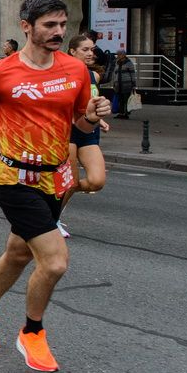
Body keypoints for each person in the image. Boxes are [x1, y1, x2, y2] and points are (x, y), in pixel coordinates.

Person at [0, 0, 111, 373]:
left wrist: (92, 114)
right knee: (54, 263)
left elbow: (81, 124)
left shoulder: (75, 70)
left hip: (58, 178)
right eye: (49, 25)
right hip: (15, 178)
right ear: (27, 27)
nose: (58, 32)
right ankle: (32, 332)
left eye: (62, 25)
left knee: (20, 253)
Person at [57, 33, 111, 237]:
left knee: (97, 181)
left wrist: (99, 118)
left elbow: (90, 103)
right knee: (70, 181)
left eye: (92, 49)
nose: (91, 53)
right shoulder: (62, 74)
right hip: (68, 131)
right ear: (72, 51)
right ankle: (54, 218)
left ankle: (52, 194)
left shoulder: (94, 76)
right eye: (85, 50)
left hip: (89, 131)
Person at [113, 50, 137, 119]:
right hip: (118, 85)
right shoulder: (117, 63)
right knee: (120, 99)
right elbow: (115, 74)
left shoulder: (128, 63)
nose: (118, 56)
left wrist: (134, 85)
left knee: (126, 99)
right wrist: (114, 83)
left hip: (127, 85)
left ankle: (126, 114)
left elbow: (132, 74)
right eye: (117, 54)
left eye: (119, 54)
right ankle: (120, 113)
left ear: (123, 55)